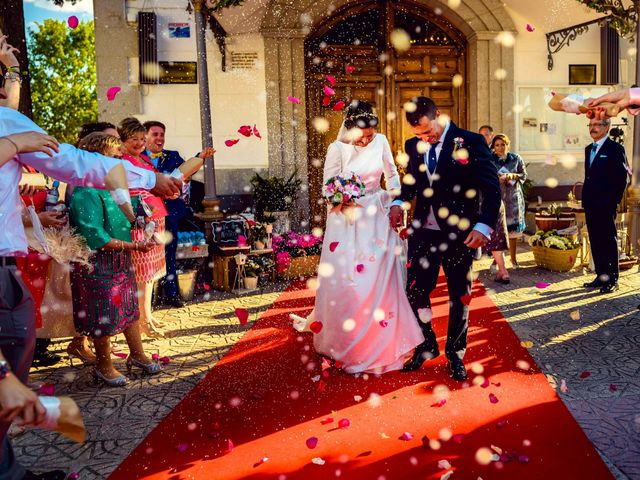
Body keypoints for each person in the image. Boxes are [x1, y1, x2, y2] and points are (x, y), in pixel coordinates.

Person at [293, 101, 424, 374]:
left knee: (380, 282)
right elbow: (328, 188)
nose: (369, 137)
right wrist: (341, 200)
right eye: (364, 133)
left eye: (373, 132)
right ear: (351, 128)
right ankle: (349, 342)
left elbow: (392, 176)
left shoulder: (382, 142)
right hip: (347, 224)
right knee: (350, 284)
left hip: (377, 218)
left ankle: (384, 340)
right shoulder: (337, 149)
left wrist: (397, 203)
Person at [390, 96, 501, 380]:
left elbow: (491, 188)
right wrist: (397, 203)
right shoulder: (413, 146)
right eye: (419, 134)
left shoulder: (471, 142)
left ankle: (455, 353)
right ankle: (426, 344)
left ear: (439, 115)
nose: (425, 138)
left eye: (429, 131)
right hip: (423, 233)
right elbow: (412, 183)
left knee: (458, 296)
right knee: (415, 290)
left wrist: (484, 226)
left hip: (460, 235)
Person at [70, 132, 161, 386]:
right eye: (113, 157)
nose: (119, 162)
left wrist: (142, 216)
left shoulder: (109, 185)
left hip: (120, 258)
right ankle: (103, 365)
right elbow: (94, 235)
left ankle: (138, 355)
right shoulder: (85, 190)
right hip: (98, 261)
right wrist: (134, 245)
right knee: (103, 313)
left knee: (130, 308)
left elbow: (127, 212)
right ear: (96, 159)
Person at [143, 120, 214, 308]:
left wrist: (200, 157)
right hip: (146, 216)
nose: (159, 138)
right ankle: (148, 299)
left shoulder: (172, 156)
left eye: (162, 134)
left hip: (170, 214)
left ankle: (171, 293)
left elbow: (186, 171)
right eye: (155, 134)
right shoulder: (137, 157)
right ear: (145, 137)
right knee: (146, 255)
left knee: (169, 254)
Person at [119, 118, 168, 337]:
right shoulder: (123, 161)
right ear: (122, 141)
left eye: (141, 139)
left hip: (155, 216)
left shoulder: (142, 159)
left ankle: (147, 315)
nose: (139, 143)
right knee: (142, 271)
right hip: (140, 220)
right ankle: (141, 319)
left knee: (150, 273)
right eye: (134, 139)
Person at [581, 118, 629, 294]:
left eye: (597, 125)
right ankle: (601, 275)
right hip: (591, 203)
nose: (593, 128)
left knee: (608, 240)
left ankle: (612, 279)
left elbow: (622, 178)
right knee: (595, 239)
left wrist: (613, 201)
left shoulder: (616, 149)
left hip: (606, 204)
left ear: (607, 127)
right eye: (591, 125)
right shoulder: (588, 149)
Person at [490, 133, 527, 268]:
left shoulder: (516, 158)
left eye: (503, 145)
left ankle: (513, 259)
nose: (500, 148)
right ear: (493, 147)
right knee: (498, 231)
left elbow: (524, 175)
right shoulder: (490, 159)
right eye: (497, 145)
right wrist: (496, 179)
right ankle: (496, 261)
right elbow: (485, 177)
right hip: (497, 199)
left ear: (508, 145)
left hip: (513, 199)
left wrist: (513, 175)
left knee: (512, 232)